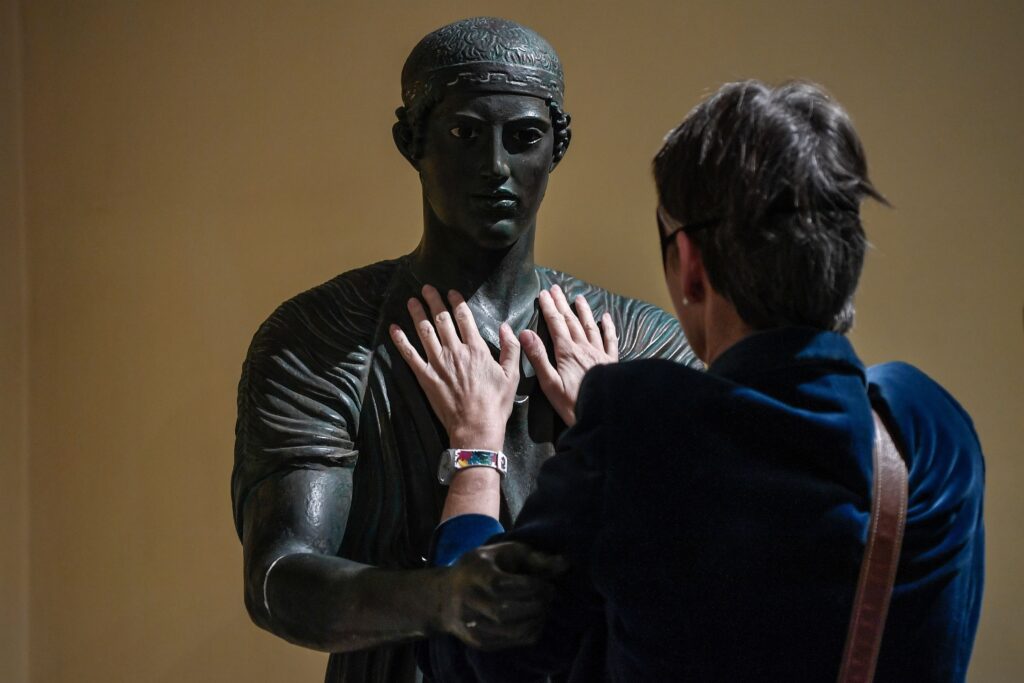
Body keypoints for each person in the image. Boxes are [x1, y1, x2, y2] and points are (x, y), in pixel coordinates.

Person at [392, 80, 986, 681]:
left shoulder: (639, 423)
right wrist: (621, 429)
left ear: (692, 265)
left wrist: (476, 453)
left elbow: (479, 661)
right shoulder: (930, 428)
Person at [231, 17, 697, 682]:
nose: (497, 168)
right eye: (464, 133)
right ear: (410, 141)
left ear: (558, 146)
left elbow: (689, 566)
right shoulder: (321, 339)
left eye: (525, 137)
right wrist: (443, 598)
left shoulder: (640, 345)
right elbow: (280, 575)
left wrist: (610, 422)